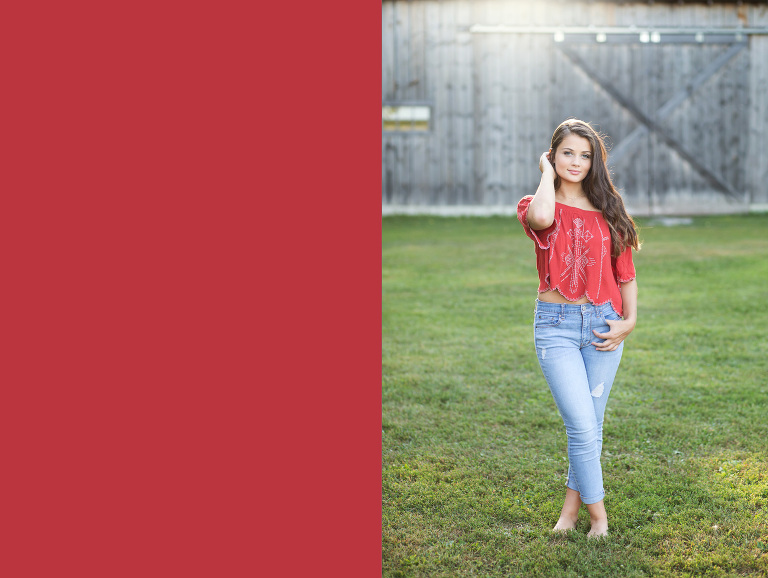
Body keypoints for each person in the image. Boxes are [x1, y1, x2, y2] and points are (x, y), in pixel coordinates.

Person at [516, 119, 640, 538]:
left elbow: (626, 273)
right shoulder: (535, 202)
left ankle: (569, 514)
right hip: (557, 328)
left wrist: (630, 320)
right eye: (567, 152)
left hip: (604, 324)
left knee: (591, 424)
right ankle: (599, 517)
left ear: (595, 161)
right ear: (553, 155)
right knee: (583, 426)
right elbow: (541, 218)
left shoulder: (608, 209)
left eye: (585, 155)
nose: (576, 162)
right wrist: (546, 175)